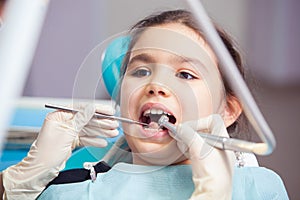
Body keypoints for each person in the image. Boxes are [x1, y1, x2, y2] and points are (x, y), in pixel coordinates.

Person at [0, 9, 289, 200]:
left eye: (186, 74)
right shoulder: (70, 193)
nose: (156, 86)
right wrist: (18, 183)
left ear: (227, 110)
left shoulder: (260, 188)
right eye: (140, 71)